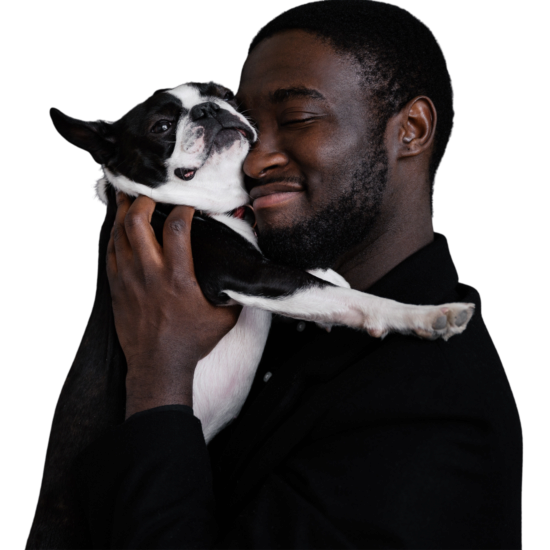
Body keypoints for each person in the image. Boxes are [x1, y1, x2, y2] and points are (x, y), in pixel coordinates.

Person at [74, 1, 523, 548]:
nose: (254, 158)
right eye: (247, 124)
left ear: (411, 130)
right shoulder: (246, 298)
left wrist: (157, 380)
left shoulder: (437, 409)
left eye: (297, 120)